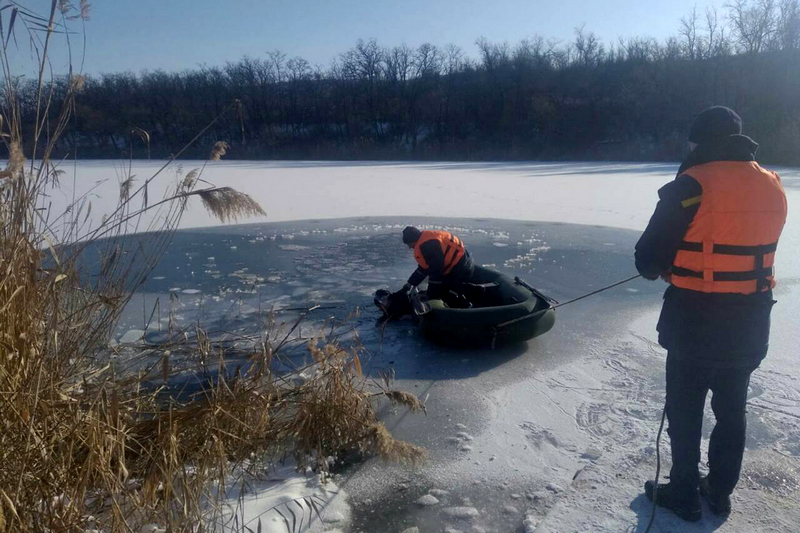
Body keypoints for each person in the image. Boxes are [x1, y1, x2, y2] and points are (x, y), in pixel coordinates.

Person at [635, 106, 787, 521]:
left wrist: (669, 266)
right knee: (732, 410)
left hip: (695, 321)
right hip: (751, 319)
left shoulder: (692, 184)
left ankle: (683, 491)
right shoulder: (773, 184)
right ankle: (719, 493)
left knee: (685, 410)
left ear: (699, 141)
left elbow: (647, 259)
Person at [395, 226, 476, 302]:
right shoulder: (425, 240)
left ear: (413, 240)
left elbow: (436, 270)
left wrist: (431, 294)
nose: (410, 247)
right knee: (440, 287)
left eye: (409, 244)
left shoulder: (428, 245)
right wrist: (410, 284)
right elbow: (424, 268)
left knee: (442, 291)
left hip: (461, 268)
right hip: (460, 264)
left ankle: (472, 294)